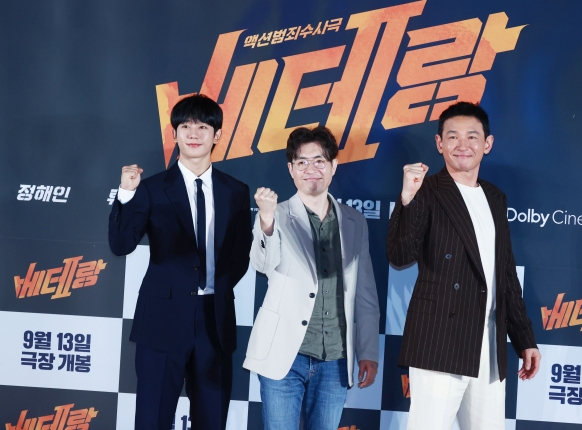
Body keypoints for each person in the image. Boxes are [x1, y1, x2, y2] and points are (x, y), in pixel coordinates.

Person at [387, 102, 541, 430]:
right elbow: (400, 256)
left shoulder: (496, 198)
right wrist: (407, 199)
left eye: (472, 136)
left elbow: (505, 274)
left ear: (487, 143)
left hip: (489, 343)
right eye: (453, 136)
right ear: (439, 143)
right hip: (439, 340)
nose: (463, 144)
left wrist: (525, 338)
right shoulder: (425, 191)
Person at [108, 94, 251, 430]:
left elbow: (240, 254)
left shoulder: (236, 191)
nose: (193, 133)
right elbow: (120, 244)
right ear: (174, 134)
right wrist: (125, 195)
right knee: (152, 419)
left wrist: (218, 288)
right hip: (161, 321)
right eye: (185, 126)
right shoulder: (151, 188)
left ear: (217, 135)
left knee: (212, 420)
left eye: (203, 126)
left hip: (214, 323)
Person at [243, 126, 380, 430]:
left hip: (335, 358)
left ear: (333, 166)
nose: (311, 169)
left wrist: (368, 351)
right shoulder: (274, 214)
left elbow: (366, 293)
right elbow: (263, 264)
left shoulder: (355, 221)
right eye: (302, 162)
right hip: (283, 355)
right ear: (291, 169)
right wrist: (265, 223)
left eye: (319, 161)